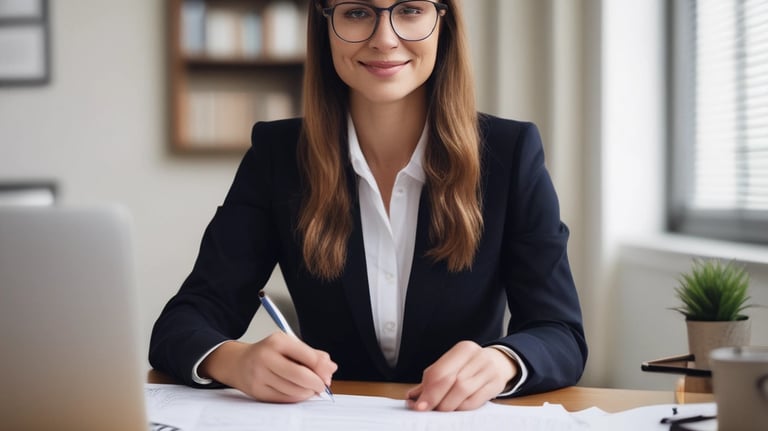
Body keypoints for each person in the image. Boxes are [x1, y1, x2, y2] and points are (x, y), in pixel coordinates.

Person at [150, 0, 587, 412]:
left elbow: (560, 333)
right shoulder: (277, 156)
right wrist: (234, 361)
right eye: (358, 12)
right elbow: (183, 322)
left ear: (444, 23)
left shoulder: (510, 154)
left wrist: (502, 362)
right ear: (325, 27)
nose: (384, 38)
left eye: (410, 10)